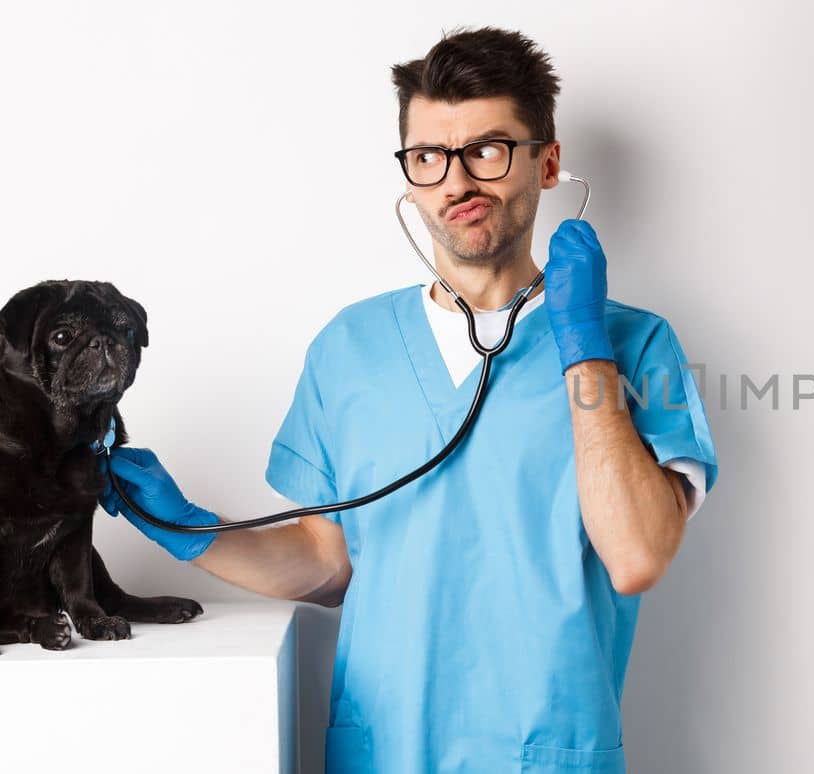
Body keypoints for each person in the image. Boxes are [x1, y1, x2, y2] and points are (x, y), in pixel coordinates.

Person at [98, 26, 717, 774]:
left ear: (547, 163)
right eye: (429, 157)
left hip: (546, 753)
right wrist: (188, 529)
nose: (456, 182)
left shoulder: (637, 346)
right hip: (383, 752)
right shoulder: (349, 348)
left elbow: (637, 556)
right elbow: (328, 567)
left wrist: (582, 345)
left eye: (486, 149)